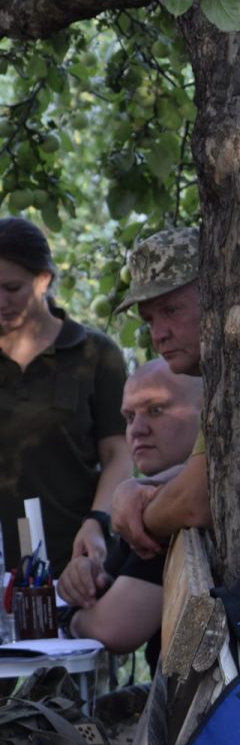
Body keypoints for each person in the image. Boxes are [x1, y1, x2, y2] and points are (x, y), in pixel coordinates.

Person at [0, 216, 131, 573]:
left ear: (44, 279)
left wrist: (98, 520)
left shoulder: (97, 354)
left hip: (76, 554)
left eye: (11, 287)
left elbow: (119, 453)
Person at [64, 359, 201, 655]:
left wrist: (71, 619)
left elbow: (113, 629)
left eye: (156, 410)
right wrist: (85, 579)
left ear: (209, 411)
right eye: (128, 417)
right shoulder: (143, 497)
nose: (137, 430)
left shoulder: (180, 503)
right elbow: (103, 586)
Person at [108, 228, 210, 557]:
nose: (158, 336)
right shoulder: (222, 383)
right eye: (150, 319)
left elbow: (195, 502)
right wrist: (136, 486)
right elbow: (210, 468)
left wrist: (138, 520)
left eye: (171, 310)